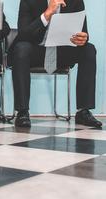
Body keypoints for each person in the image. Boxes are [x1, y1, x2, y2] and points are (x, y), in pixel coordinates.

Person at [9, 0, 102, 128]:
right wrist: (46, 14)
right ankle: (22, 111)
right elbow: (23, 33)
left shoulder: (76, 1)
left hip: (62, 51)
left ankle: (83, 111)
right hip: (37, 50)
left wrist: (83, 39)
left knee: (88, 50)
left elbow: (83, 33)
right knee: (21, 49)